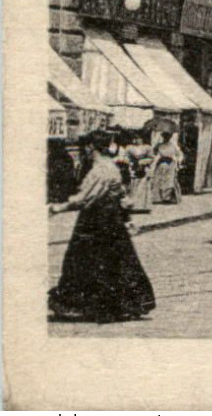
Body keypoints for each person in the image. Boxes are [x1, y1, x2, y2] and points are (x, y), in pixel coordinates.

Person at [48, 131, 156, 323]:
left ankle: (83, 306)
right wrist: (126, 218)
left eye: (86, 147)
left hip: (96, 222)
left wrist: (58, 207)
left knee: (84, 262)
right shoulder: (110, 166)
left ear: (92, 148)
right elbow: (121, 196)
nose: (84, 151)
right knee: (117, 262)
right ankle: (124, 303)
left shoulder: (100, 170)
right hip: (110, 221)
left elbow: (85, 198)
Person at [150, 130, 184, 206]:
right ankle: (158, 198)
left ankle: (167, 198)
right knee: (158, 180)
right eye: (164, 136)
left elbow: (180, 155)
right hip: (161, 164)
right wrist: (157, 156)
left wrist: (175, 159)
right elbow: (153, 153)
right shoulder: (159, 145)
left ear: (170, 137)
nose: (166, 138)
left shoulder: (174, 146)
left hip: (170, 164)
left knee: (169, 181)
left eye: (167, 136)